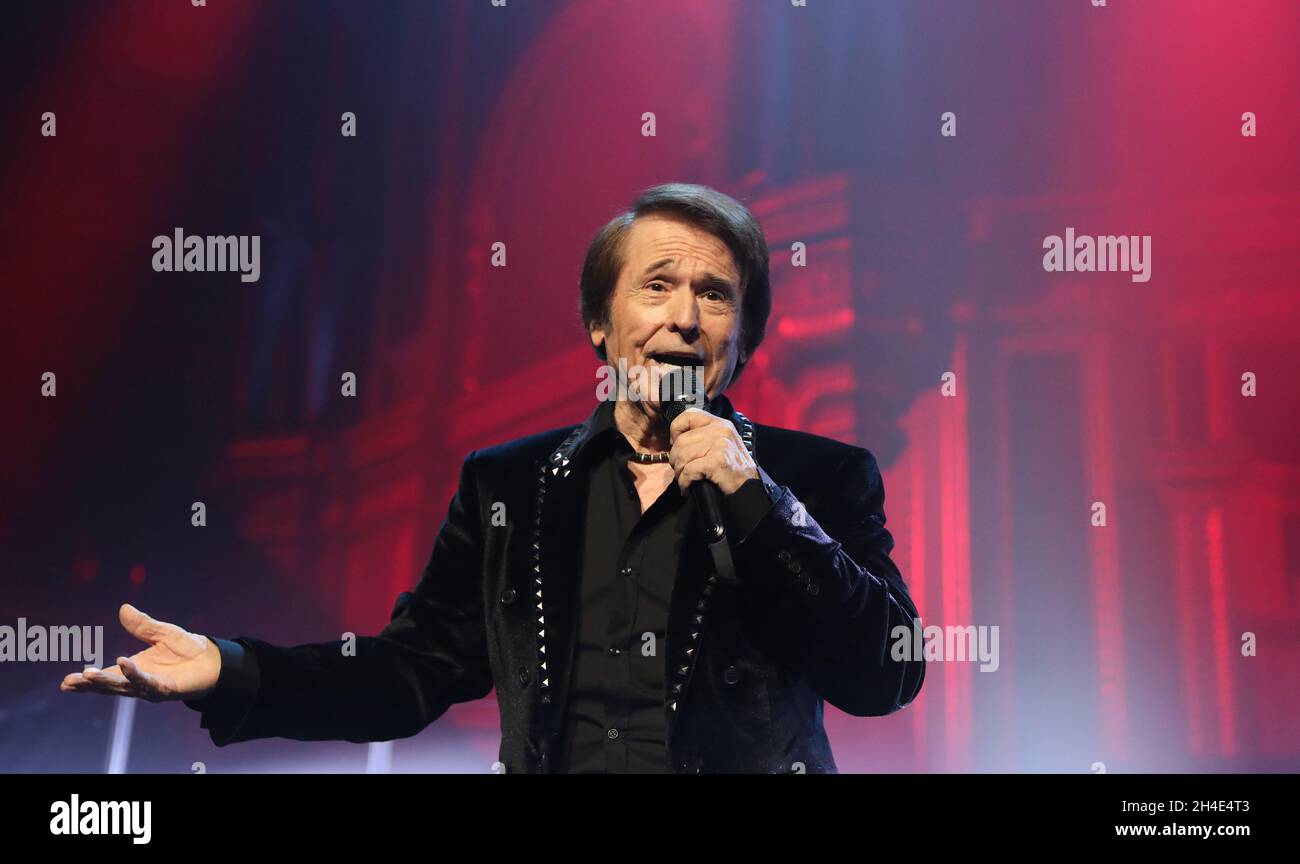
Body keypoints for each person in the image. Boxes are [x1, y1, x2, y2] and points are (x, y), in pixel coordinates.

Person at [62, 183, 925, 773]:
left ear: (743, 337)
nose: (685, 318)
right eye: (657, 285)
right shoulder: (509, 487)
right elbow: (405, 674)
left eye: (717, 294)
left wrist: (761, 503)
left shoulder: (819, 477)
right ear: (600, 322)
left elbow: (885, 673)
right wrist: (231, 669)